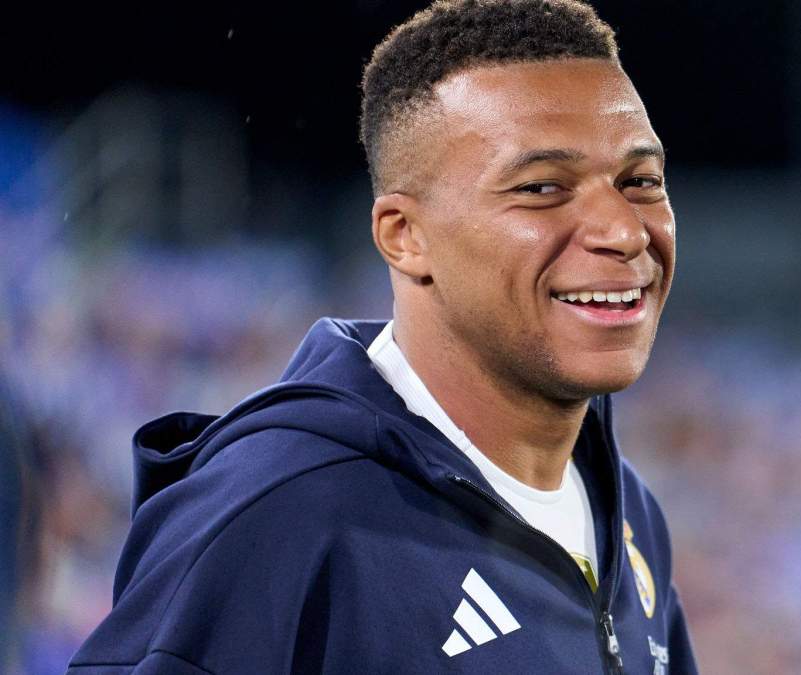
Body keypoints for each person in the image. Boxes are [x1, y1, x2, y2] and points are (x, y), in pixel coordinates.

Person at [69, 1, 696, 672]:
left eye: (640, 181)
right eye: (542, 187)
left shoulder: (626, 513)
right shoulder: (280, 517)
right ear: (405, 236)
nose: (625, 231)